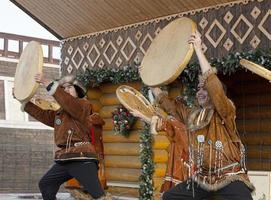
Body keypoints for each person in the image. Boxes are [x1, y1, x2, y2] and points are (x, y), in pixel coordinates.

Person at [151, 31, 255, 200]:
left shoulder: (225, 111)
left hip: (229, 175)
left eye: (204, 89)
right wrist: (150, 78)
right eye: (199, 88)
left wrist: (198, 49)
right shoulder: (192, 114)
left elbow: (214, 86)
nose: (200, 92)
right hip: (203, 179)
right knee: (170, 196)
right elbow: (168, 105)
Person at [14, 73, 111, 200]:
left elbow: (69, 103)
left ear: (78, 91)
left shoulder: (83, 105)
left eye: (69, 87)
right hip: (65, 158)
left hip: (82, 158)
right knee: (46, 184)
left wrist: (49, 84)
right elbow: (43, 115)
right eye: (63, 88)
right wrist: (23, 101)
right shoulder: (60, 114)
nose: (66, 90)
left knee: (98, 196)